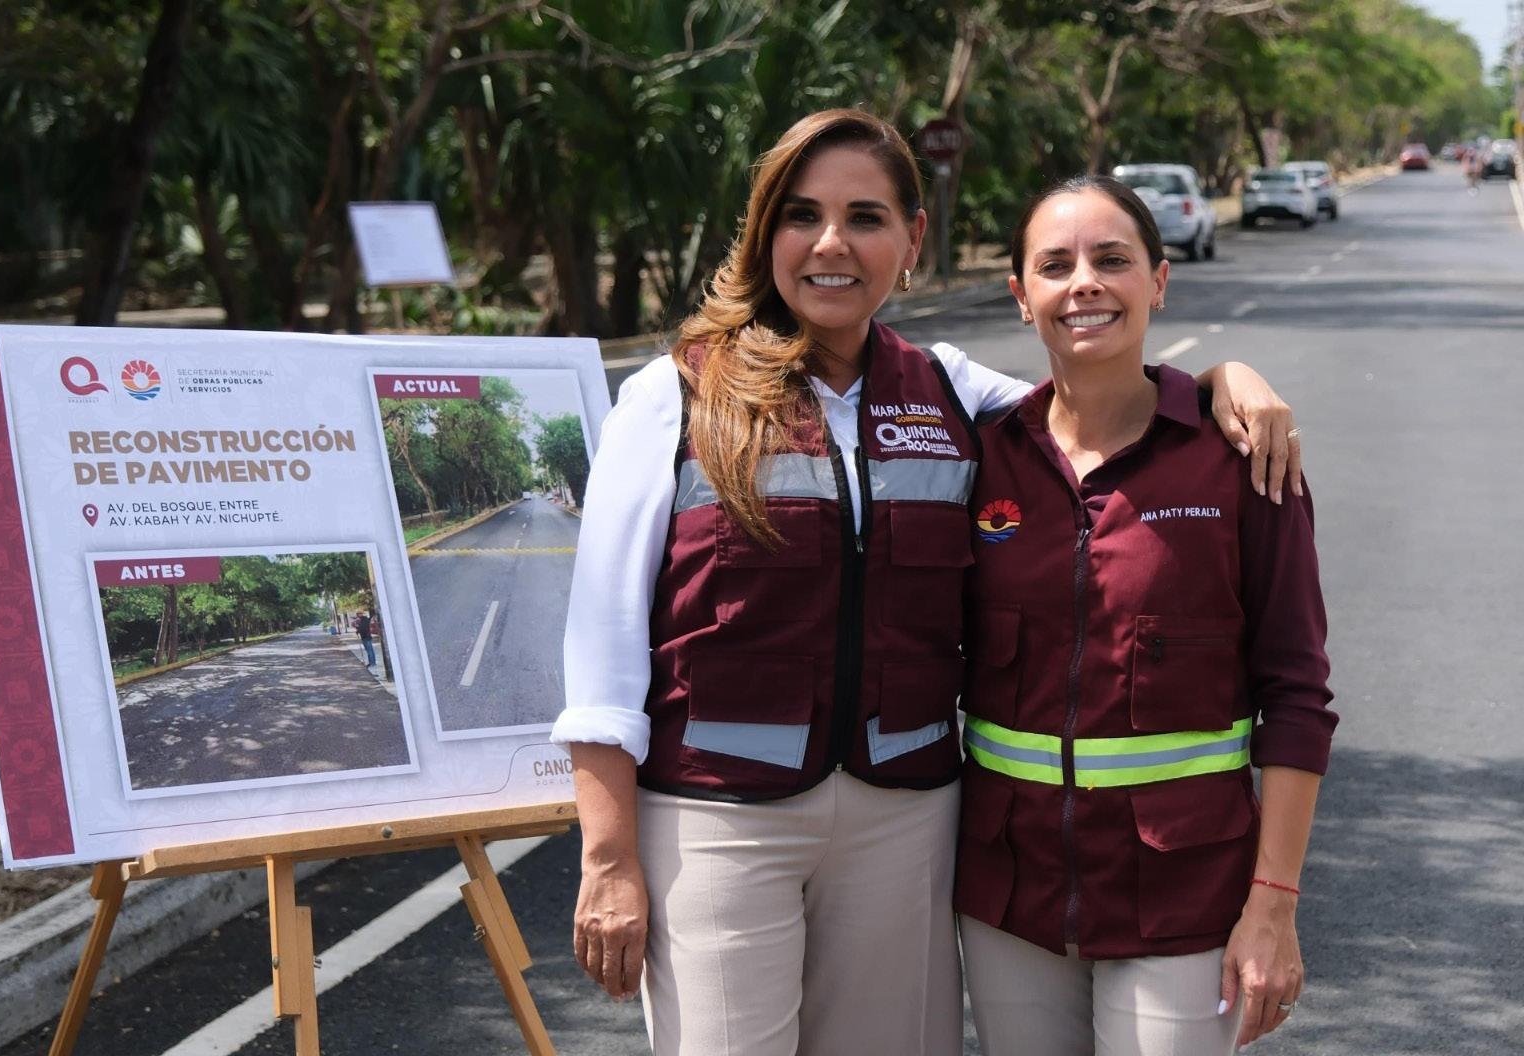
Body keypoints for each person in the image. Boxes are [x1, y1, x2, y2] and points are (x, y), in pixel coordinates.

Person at [552, 110, 1301, 1056]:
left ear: (912, 240)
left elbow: (1097, 404)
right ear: (764, 234)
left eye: (865, 217)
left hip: (902, 822)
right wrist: (609, 859)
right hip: (717, 819)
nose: (832, 243)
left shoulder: (950, 388)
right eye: (801, 215)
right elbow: (603, 649)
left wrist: (1224, 378)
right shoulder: (673, 396)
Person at [955, 175, 1336, 1056]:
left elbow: (1297, 696)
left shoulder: (1243, 461)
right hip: (1010, 895)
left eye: (1112, 259)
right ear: (1020, 296)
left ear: (1159, 282)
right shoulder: (983, 457)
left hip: (1184, 895)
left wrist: (1274, 906)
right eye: (1055, 265)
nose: (1084, 283)